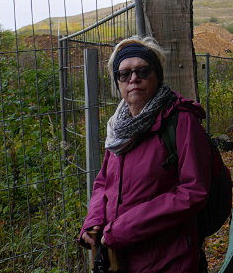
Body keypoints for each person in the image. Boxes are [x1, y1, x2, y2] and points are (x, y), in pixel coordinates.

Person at [78, 36, 212, 273]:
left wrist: (123, 228)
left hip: (169, 260)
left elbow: (194, 190)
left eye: (142, 71)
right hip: (119, 259)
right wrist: (94, 221)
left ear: (157, 75)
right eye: (124, 74)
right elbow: (103, 183)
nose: (133, 79)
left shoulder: (180, 120)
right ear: (117, 82)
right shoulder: (118, 129)